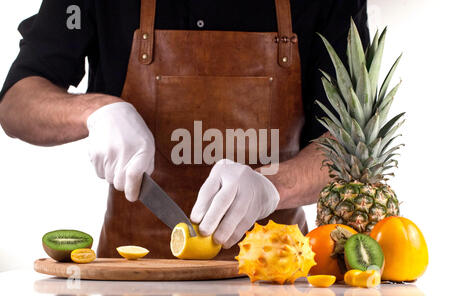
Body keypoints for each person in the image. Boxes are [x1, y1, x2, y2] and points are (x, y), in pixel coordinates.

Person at [0, 0, 369, 259]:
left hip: (274, 274)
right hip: (132, 275)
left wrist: (273, 186)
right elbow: (16, 102)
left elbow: (350, 144)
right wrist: (96, 110)